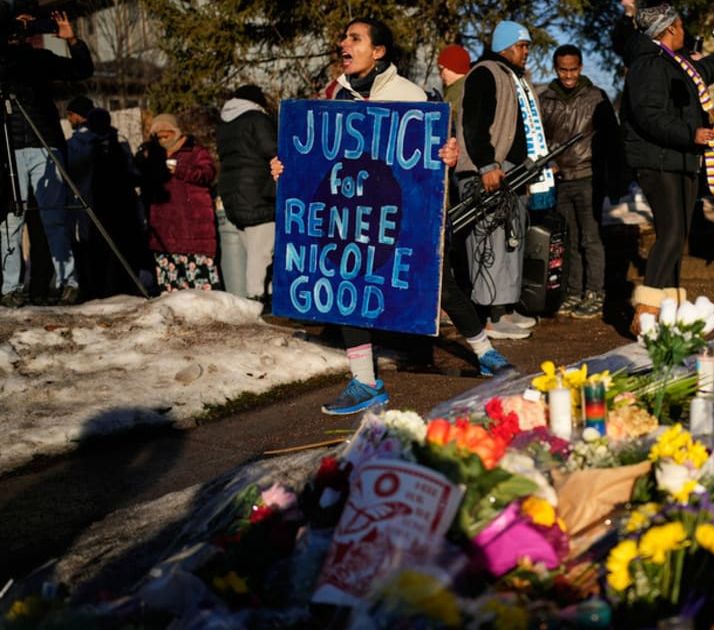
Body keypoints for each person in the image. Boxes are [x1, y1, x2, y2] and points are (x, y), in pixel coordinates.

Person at [272, 18, 514, 415]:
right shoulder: (338, 99)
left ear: (378, 51)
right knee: (345, 282)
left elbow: (429, 158)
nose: (343, 44)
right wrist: (287, 169)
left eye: (355, 39)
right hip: (354, 215)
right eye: (344, 37)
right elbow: (319, 160)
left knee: (440, 284)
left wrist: (446, 158)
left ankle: (486, 353)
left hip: (404, 214)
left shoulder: (409, 94)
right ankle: (364, 381)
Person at [619, 3, 714, 332]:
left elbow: (705, 69)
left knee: (678, 234)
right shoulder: (648, 64)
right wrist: (690, 132)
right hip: (659, 159)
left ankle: (668, 310)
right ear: (669, 30)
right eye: (681, 26)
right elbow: (648, 114)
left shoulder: (672, 61)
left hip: (680, 157)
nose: (685, 31)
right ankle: (647, 313)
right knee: (670, 233)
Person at [456, 20, 550, 339]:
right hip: (489, 173)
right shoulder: (485, 73)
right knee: (490, 243)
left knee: (512, 241)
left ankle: (506, 309)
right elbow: (473, 124)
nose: (526, 53)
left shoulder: (517, 79)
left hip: (512, 172)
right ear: (506, 46)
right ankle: (492, 317)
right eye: (523, 47)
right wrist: (486, 165)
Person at [0, 8, 93, 307]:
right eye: (19, 24)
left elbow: (81, 70)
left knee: (54, 216)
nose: (23, 30)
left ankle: (69, 281)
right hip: (7, 148)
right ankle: (10, 287)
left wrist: (72, 40)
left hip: (45, 142)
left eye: (29, 24)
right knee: (10, 219)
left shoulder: (37, 60)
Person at [537, 44, 618, 319]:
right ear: (555, 68)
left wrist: (612, 177)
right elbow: (539, 141)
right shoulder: (545, 99)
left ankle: (595, 293)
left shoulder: (597, 97)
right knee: (568, 241)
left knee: (591, 239)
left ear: (581, 67)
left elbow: (611, 140)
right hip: (560, 181)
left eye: (573, 69)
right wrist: (549, 162)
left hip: (589, 179)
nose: (568, 75)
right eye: (563, 70)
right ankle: (573, 292)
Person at [137, 113, 219, 292]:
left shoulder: (195, 151)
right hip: (165, 228)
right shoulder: (152, 154)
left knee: (199, 286)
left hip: (194, 227)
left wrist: (180, 169)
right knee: (171, 287)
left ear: (175, 132)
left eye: (165, 134)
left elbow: (208, 174)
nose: (162, 139)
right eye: (158, 136)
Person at [70, 108, 147, 298]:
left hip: (122, 206)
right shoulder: (81, 144)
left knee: (124, 248)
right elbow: (75, 171)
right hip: (95, 205)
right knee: (97, 251)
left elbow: (131, 171)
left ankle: (126, 287)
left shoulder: (118, 142)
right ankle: (99, 291)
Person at [215, 84, 277, 302]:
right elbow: (273, 150)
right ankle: (256, 299)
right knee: (261, 254)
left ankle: (262, 296)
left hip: (233, 194)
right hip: (258, 194)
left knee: (253, 251)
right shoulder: (256, 119)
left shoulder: (225, 123)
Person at [437, 44, 472, 128]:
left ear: (452, 67)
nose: (440, 74)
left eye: (442, 69)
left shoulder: (458, 91)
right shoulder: (468, 85)